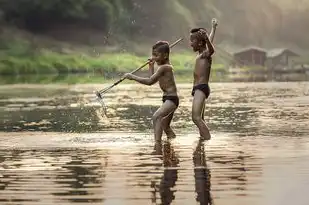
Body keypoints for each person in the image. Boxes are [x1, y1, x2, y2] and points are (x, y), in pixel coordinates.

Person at [123, 41, 179, 142]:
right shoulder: (163, 67)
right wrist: (151, 67)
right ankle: (171, 144)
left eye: (156, 55)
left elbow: (149, 81)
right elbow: (152, 79)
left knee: (156, 117)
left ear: (165, 55)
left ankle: (157, 144)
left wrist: (132, 77)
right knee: (165, 126)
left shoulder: (165, 68)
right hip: (167, 99)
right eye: (153, 54)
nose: (153, 57)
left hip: (171, 99)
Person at [189, 18, 218, 140]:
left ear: (200, 43)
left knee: (196, 117)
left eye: (192, 41)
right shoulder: (201, 54)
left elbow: (211, 49)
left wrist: (206, 38)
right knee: (201, 118)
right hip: (198, 89)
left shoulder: (206, 54)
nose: (190, 43)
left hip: (201, 88)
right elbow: (209, 41)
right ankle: (202, 144)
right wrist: (213, 28)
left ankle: (207, 141)